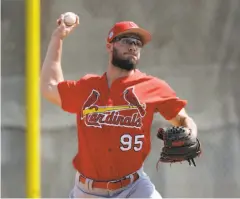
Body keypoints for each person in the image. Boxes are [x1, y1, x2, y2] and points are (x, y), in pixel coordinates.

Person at [40, 13, 198, 198]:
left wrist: (190, 133)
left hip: (134, 188)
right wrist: (57, 37)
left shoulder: (153, 87)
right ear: (110, 45)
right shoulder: (88, 88)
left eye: (138, 43)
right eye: (126, 40)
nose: (133, 46)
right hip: (88, 192)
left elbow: (182, 118)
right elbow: (49, 86)